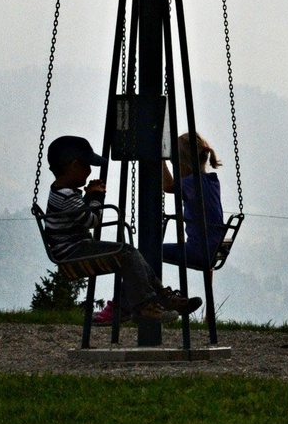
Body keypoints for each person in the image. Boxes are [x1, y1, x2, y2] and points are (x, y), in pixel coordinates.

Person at [43, 134, 201, 327]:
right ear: (74, 166)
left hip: (73, 248)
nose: (90, 171)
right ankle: (146, 305)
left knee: (131, 253)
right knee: (126, 253)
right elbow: (92, 220)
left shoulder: (61, 193)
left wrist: (89, 197)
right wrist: (95, 197)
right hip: (73, 252)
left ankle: (161, 297)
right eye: (86, 166)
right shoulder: (66, 197)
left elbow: (79, 216)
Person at [162, 132, 225, 270]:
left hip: (197, 252)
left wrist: (161, 160)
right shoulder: (212, 181)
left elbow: (168, 186)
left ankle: (146, 290)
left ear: (183, 163)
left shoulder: (193, 182)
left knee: (148, 252)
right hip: (213, 251)